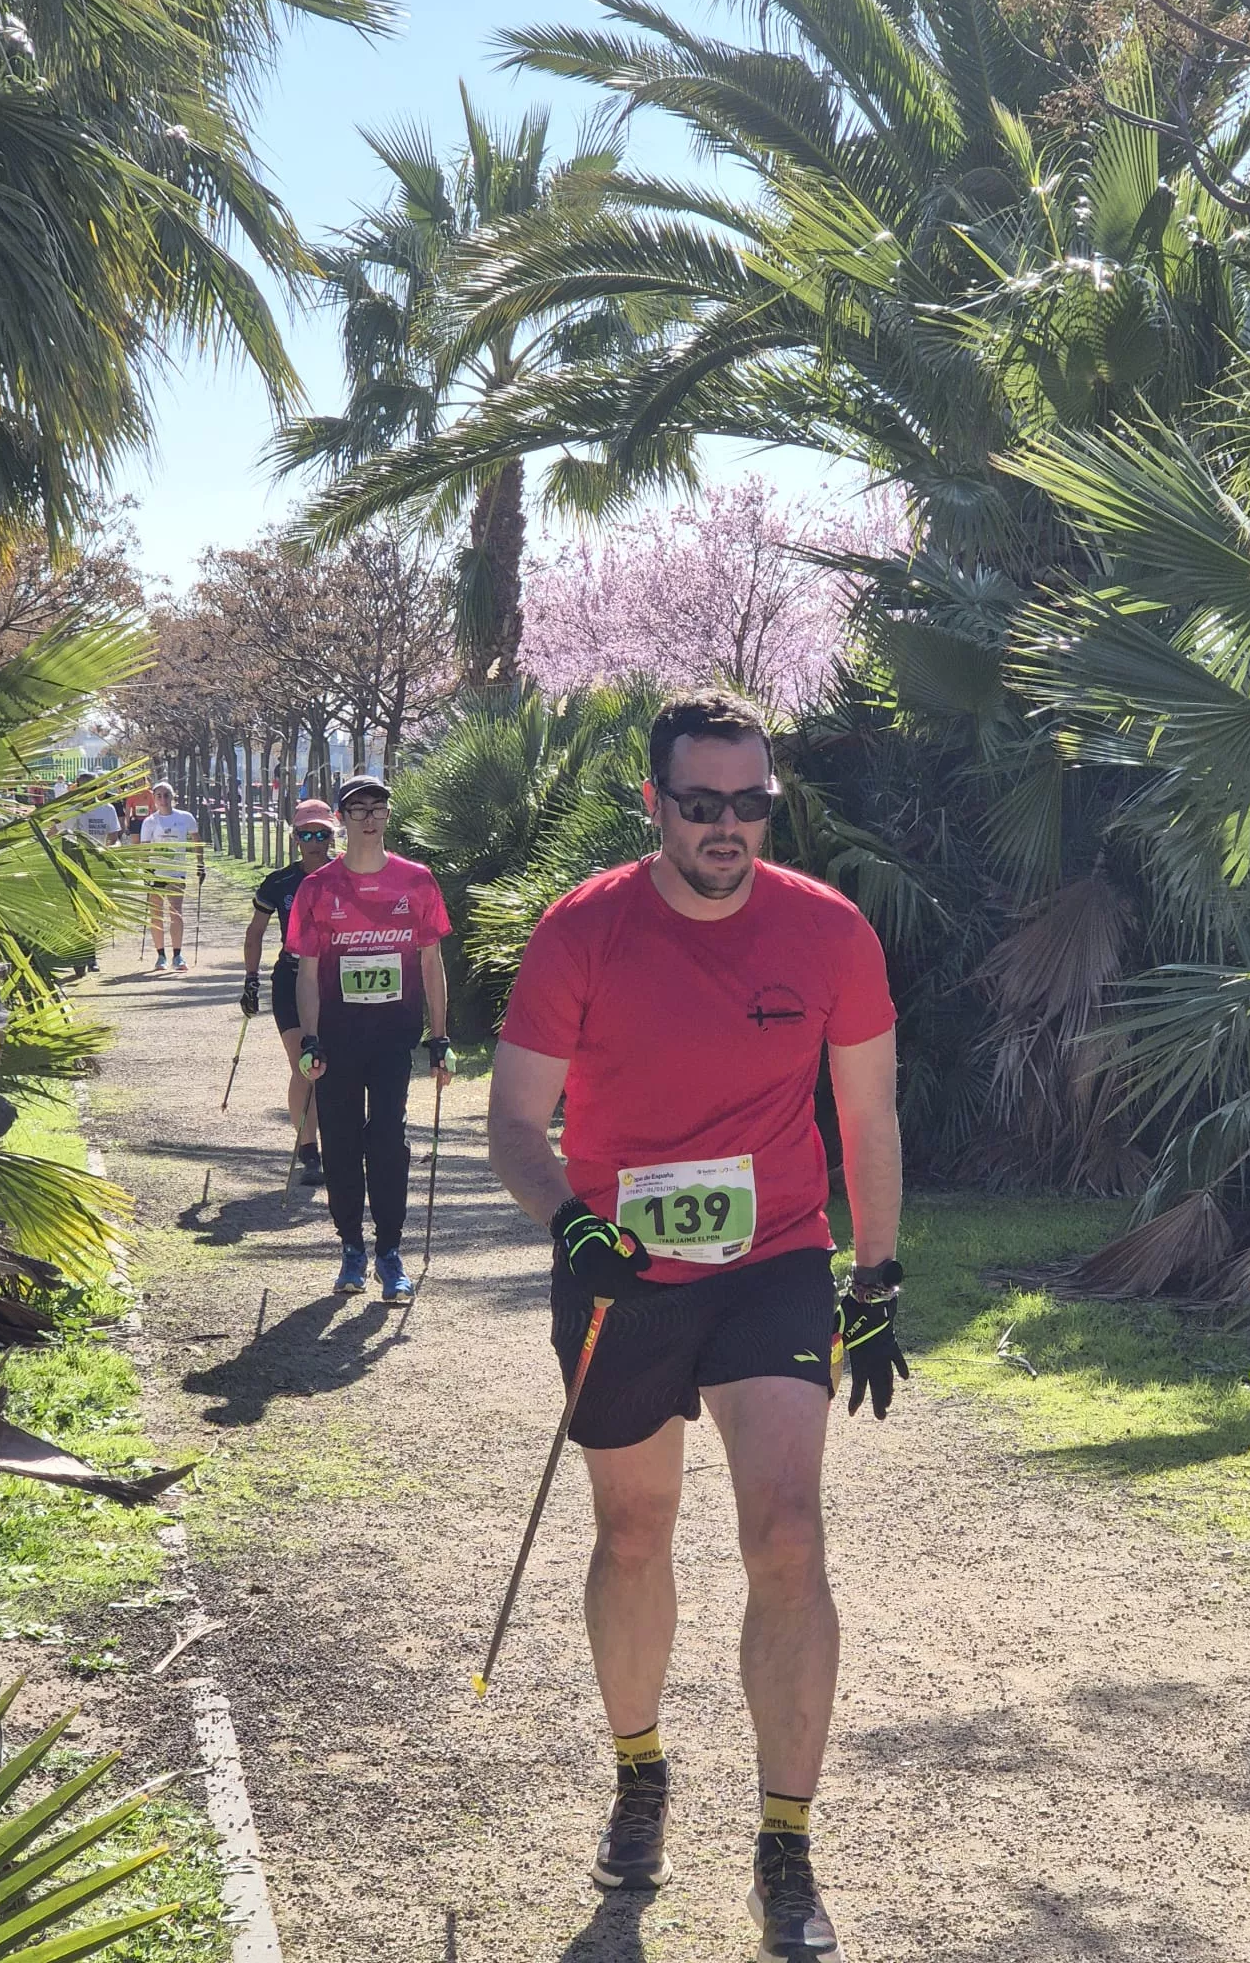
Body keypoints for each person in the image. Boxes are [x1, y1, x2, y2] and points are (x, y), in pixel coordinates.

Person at [487, 688, 905, 1963]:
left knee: (786, 1530)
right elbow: (515, 1121)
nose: (731, 826)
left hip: (774, 1256)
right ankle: (640, 1768)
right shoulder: (586, 930)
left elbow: (869, 1116)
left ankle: (786, 1840)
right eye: (704, 803)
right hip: (621, 1267)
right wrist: (567, 1221)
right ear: (656, 803)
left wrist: (877, 1273)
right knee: (634, 1528)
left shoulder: (828, 931)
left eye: (753, 802)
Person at [288, 774, 455, 1302]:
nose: (367, 817)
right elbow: (308, 972)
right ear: (342, 817)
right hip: (337, 1038)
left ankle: (389, 1249)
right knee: (340, 1142)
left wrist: (440, 1037)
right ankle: (351, 1247)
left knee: (387, 1139)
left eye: (376, 807)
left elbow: (431, 962)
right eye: (356, 808)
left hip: (391, 1036)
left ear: (387, 815)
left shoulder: (417, 881)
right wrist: (310, 1039)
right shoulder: (318, 889)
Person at [240, 799, 339, 1186]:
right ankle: (309, 1149)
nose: (315, 842)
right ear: (295, 838)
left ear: (333, 835)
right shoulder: (279, 882)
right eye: (307, 834)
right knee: (305, 1062)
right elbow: (255, 932)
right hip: (292, 979)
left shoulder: (349, 875)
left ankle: (340, 1144)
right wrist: (251, 978)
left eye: (323, 834)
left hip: (336, 981)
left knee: (337, 1066)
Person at [138, 781, 203, 974]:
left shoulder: (185, 817)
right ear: (154, 798)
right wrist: (145, 869)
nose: (163, 799)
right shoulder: (149, 821)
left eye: (166, 795)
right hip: (157, 873)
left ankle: (177, 954)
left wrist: (201, 864)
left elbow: (196, 841)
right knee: (156, 914)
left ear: (172, 797)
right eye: (159, 796)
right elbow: (144, 848)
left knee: (176, 912)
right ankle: (160, 955)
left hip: (176, 872)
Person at [62, 773, 121, 976]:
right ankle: (80, 954)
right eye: (84, 786)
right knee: (77, 913)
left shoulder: (107, 809)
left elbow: (113, 837)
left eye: (92, 786)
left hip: (97, 869)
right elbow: (56, 830)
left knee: (95, 913)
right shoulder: (71, 809)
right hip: (74, 866)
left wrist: (110, 851)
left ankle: (91, 954)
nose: (88, 790)